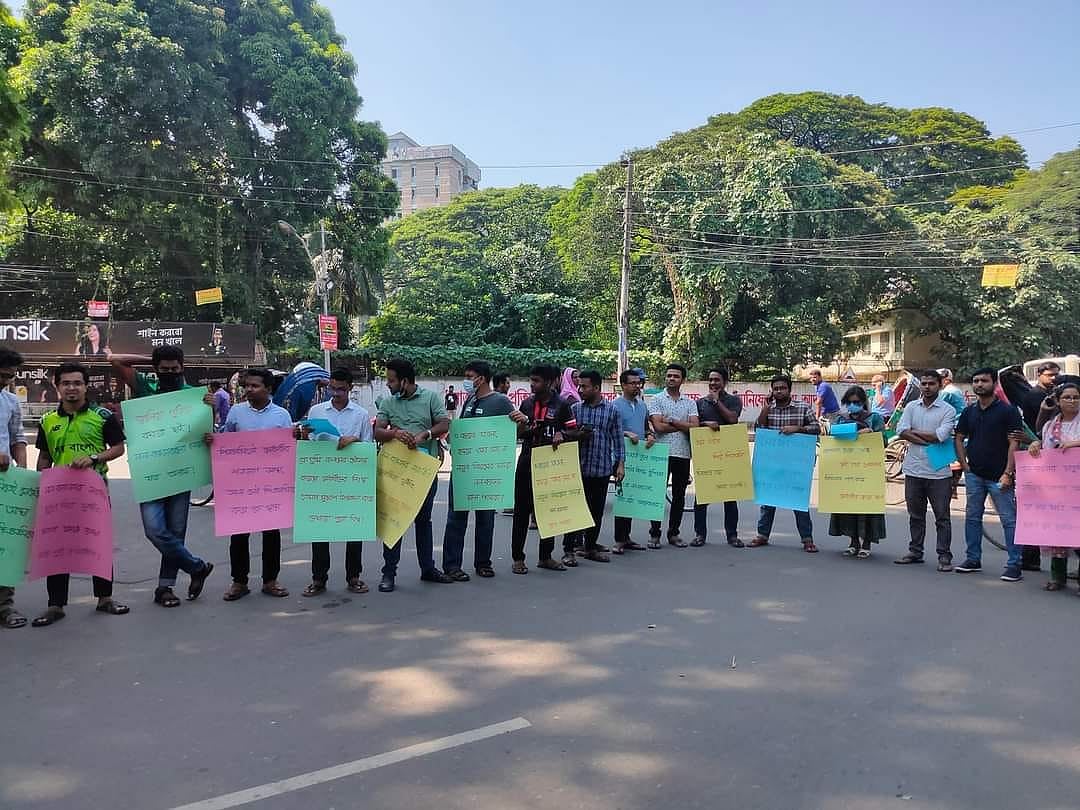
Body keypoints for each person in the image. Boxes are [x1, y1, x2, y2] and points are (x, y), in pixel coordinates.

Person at [109, 346, 215, 608]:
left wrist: (212, 410)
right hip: (151, 474)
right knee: (155, 530)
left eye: (175, 368)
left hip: (182, 473)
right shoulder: (146, 387)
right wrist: (151, 358)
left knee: (175, 532)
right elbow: (115, 359)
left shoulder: (196, 396)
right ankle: (197, 567)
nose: (169, 373)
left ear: (183, 367)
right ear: (155, 369)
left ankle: (165, 588)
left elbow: (207, 432)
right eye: (164, 369)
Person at [31, 363, 129, 627]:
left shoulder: (102, 416)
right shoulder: (47, 421)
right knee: (57, 547)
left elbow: (118, 448)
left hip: (95, 493)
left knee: (99, 544)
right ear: (57, 386)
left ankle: (105, 598)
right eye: (66, 383)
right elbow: (44, 457)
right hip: (59, 496)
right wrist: (41, 477)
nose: (71, 388)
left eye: (77, 383)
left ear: (86, 386)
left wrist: (94, 457)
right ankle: (56, 604)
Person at [211, 367, 294, 601]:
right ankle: (239, 582)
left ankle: (270, 580)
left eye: (254, 386)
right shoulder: (236, 412)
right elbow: (226, 442)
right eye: (246, 385)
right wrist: (214, 440)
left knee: (271, 533)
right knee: (238, 534)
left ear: (268, 389)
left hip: (271, 484)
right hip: (241, 483)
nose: (249, 389)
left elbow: (288, 447)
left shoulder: (281, 415)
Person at [373, 359, 454, 591]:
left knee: (423, 521)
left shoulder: (430, 398)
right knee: (394, 520)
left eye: (391, 380)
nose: (388, 384)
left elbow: (444, 423)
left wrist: (424, 435)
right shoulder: (388, 402)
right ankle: (388, 573)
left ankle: (428, 569)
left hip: (424, 471)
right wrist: (395, 433)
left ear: (405, 381)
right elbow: (378, 431)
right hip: (395, 471)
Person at [441, 360, 526, 580]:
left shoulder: (500, 401)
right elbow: (461, 430)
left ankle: (483, 563)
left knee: (485, 518)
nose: (466, 381)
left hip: (486, 472)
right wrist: (453, 438)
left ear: (481, 378)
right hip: (464, 469)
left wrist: (522, 420)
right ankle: (452, 565)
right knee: (456, 518)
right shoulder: (469, 400)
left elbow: (517, 429)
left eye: (469, 376)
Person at [301, 368, 373, 597]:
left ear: (351, 388)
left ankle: (354, 576)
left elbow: (369, 448)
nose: (336, 393)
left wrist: (354, 439)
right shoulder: (317, 411)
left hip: (352, 479)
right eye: (333, 388)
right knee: (320, 528)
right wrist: (303, 435)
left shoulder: (361, 415)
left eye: (341, 389)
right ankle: (318, 579)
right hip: (322, 479)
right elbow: (308, 445)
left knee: (354, 527)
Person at [954, 367, 1023, 581]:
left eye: (984, 380)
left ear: (994, 383)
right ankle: (973, 559)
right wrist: (964, 464)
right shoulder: (969, 411)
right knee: (973, 518)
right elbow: (959, 437)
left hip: (999, 476)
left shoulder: (1008, 411)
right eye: (975, 381)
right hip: (974, 474)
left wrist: (1008, 473)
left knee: (1009, 520)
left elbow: (1015, 442)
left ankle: (1014, 565)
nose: (979, 384)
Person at [510, 364, 579, 574]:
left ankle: (545, 556)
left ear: (549, 382)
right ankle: (518, 558)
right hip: (526, 463)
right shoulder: (527, 404)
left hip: (550, 467)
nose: (532, 384)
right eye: (531, 380)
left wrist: (563, 435)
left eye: (537, 381)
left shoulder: (562, 405)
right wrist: (520, 424)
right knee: (521, 512)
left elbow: (575, 432)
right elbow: (518, 435)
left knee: (549, 512)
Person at [893, 370, 958, 571]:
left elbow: (940, 436)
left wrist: (914, 434)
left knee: (942, 517)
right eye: (924, 383)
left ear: (939, 385)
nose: (927, 387)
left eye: (931, 383)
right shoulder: (911, 407)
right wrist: (924, 438)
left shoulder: (948, 410)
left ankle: (944, 557)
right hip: (913, 470)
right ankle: (915, 551)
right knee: (916, 515)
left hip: (939, 473)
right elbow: (900, 431)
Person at [561, 370, 624, 566]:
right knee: (574, 511)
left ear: (596, 388)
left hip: (602, 469)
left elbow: (618, 439)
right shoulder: (576, 409)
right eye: (579, 386)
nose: (580, 389)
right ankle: (569, 550)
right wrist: (577, 435)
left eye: (584, 386)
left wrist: (620, 464)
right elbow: (566, 434)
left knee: (596, 511)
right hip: (578, 469)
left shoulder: (612, 410)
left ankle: (590, 547)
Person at [752, 374, 821, 552]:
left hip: (796, 464)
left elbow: (817, 428)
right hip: (773, 463)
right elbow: (759, 430)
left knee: (798, 501)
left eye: (782, 388)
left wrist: (798, 429)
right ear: (771, 391)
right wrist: (765, 410)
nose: (779, 391)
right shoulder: (769, 409)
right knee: (768, 500)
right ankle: (762, 535)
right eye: (775, 388)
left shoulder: (803, 407)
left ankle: (807, 539)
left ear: (789, 389)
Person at [1026, 381, 1080, 593]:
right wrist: (1035, 445)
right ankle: (1058, 577)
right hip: (1057, 490)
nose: (1072, 401)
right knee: (1058, 535)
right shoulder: (1050, 426)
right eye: (1067, 397)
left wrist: (1075, 444)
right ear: (1057, 401)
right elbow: (1044, 447)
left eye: (1076, 397)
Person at [827, 386, 887, 558]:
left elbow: (884, 441)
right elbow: (832, 440)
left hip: (868, 470)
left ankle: (866, 543)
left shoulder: (874, 418)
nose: (853, 405)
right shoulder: (840, 419)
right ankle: (853, 541)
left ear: (863, 403)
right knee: (848, 505)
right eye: (850, 402)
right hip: (846, 470)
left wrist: (871, 433)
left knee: (867, 506)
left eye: (857, 402)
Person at [647, 363, 698, 548]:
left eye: (675, 376)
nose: (671, 379)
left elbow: (695, 427)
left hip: (683, 455)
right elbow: (658, 428)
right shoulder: (657, 399)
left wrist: (672, 421)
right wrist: (682, 425)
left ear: (682, 380)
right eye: (669, 375)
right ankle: (654, 534)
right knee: (657, 495)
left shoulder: (690, 402)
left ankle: (673, 534)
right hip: (660, 453)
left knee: (679, 496)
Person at [693, 367, 743, 547]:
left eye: (717, 380)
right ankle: (700, 534)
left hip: (728, 455)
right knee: (702, 497)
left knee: (730, 497)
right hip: (707, 455)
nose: (713, 383)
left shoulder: (734, 400)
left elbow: (732, 419)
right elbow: (695, 423)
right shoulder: (699, 403)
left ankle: (732, 535)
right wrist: (706, 423)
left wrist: (716, 402)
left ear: (725, 382)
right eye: (711, 379)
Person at [0, 348, 29, 629]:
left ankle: (5, 606)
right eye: (1, 376)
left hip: (6, 484)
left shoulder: (10, 401)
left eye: (9, 377)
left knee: (6, 546)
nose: (4, 382)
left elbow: (18, 437)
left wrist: (21, 470)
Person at [612, 368, 653, 553]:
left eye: (639, 383)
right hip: (620, 457)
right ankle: (619, 539)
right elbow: (608, 431)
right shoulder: (614, 406)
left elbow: (646, 428)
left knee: (632, 499)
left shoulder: (642, 405)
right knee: (623, 498)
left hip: (639, 458)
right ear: (623, 385)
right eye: (633, 383)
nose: (637, 386)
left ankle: (626, 537)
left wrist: (650, 435)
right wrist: (626, 433)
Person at [1021, 361, 1060, 434]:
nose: (1054, 378)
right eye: (1049, 375)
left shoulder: (1052, 392)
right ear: (1039, 375)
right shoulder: (1035, 394)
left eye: (1056, 375)